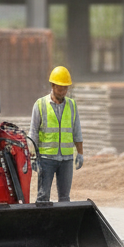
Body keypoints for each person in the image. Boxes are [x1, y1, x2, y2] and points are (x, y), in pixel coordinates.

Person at [29, 66, 83, 203]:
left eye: (65, 88)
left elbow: (77, 131)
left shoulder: (72, 105)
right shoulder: (40, 104)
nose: (63, 91)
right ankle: (42, 223)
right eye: (60, 88)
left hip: (66, 159)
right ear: (52, 86)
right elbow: (33, 132)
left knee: (65, 198)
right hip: (46, 159)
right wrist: (33, 156)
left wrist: (80, 153)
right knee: (43, 196)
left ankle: (63, 224)